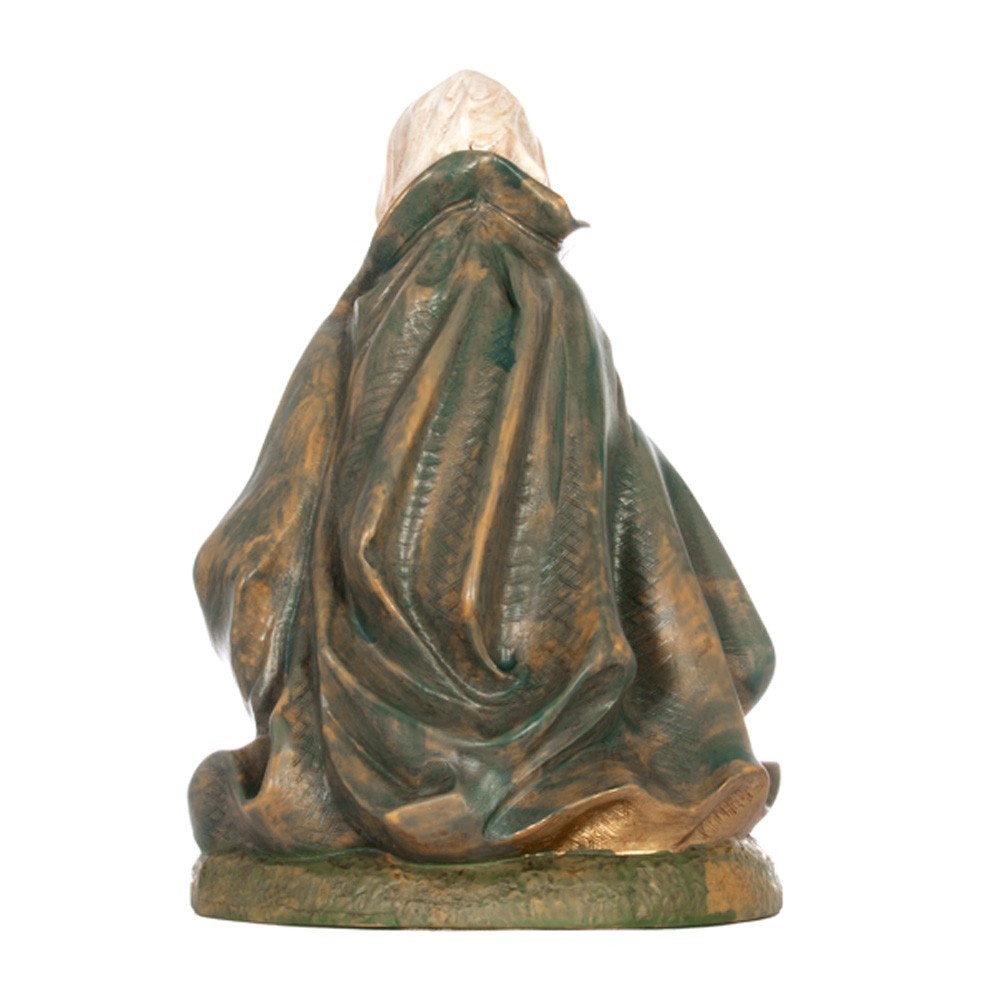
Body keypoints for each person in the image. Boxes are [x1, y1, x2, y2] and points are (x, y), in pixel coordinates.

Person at [189, 71, 777, 862]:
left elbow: (271, 528)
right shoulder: (560, 303)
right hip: (570, 679)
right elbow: (631, 488)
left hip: (366, 708)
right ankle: (570, 775)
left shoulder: (375, 307)